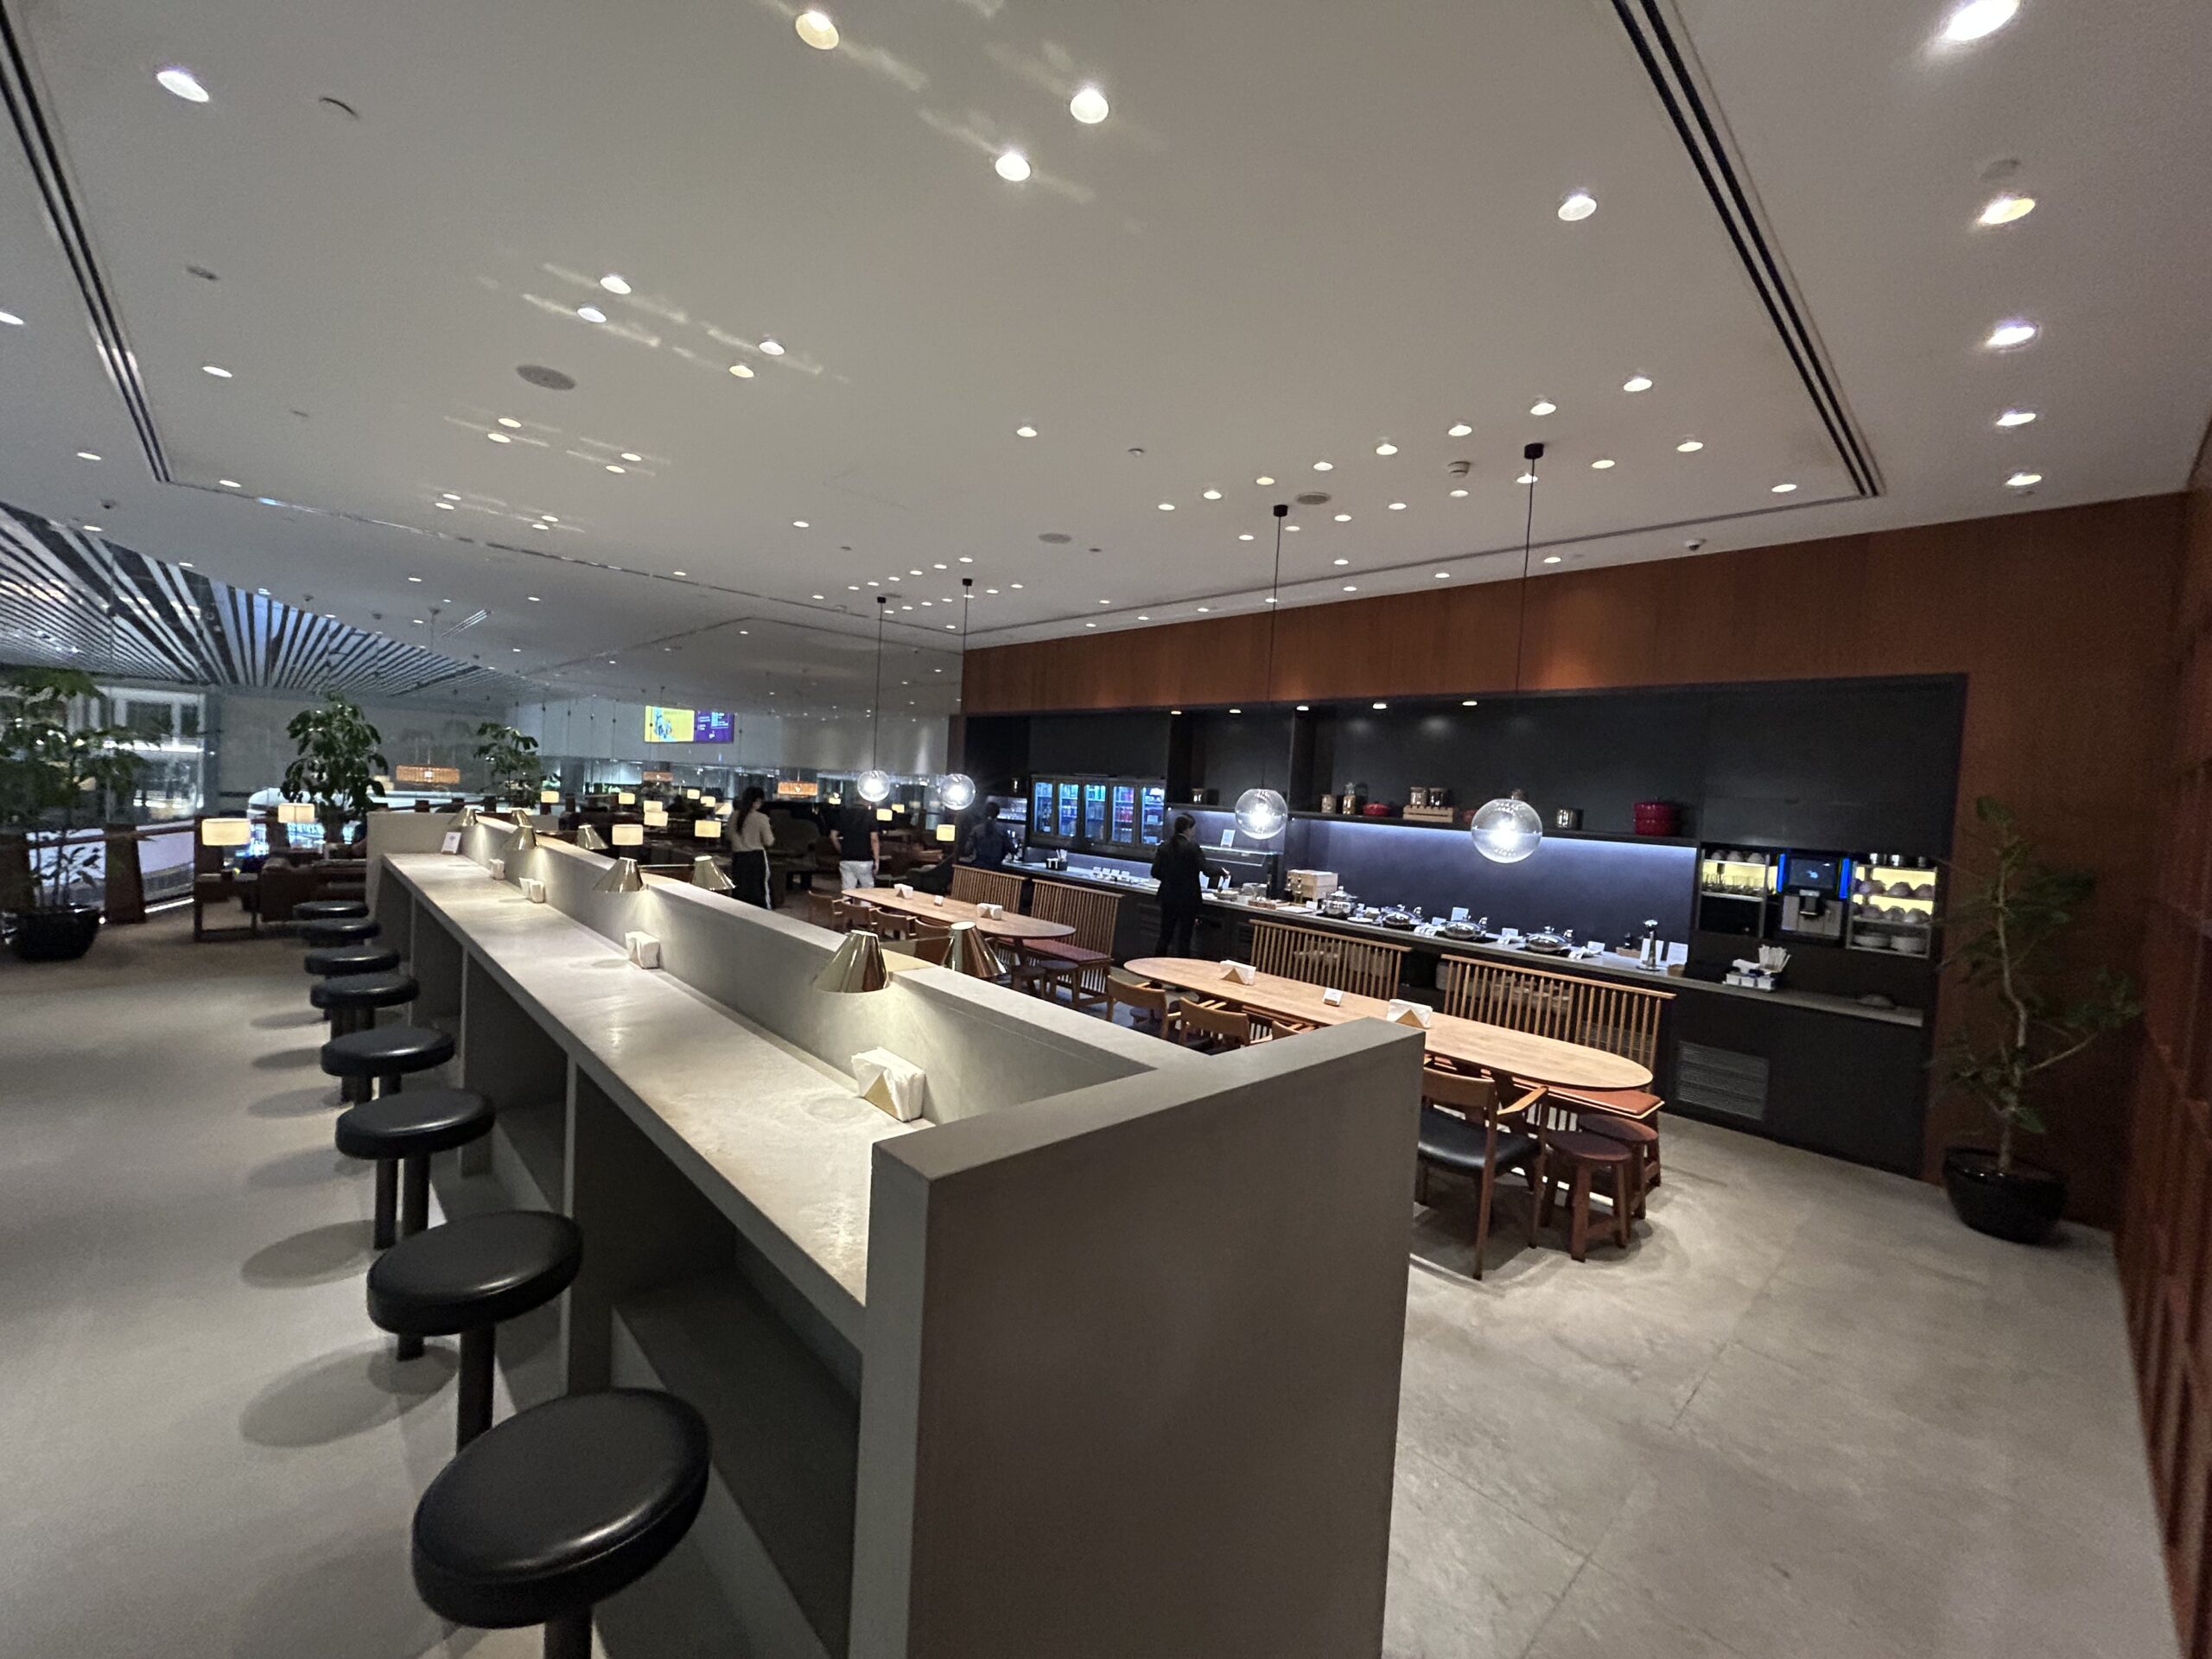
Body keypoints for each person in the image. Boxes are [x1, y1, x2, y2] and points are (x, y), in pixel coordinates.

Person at [1150, 812, 1221, 957]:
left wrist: (1170, 879)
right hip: (1188, 899)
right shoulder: (1192, 847)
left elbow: (1155, 872)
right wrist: (1222, 871)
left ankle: (1155, 966)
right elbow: (1206, 870)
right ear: (1188, 829)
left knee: (1165, 935)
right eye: (1193, 828)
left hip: (1168, 897)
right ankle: (1181, 971)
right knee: (1184, 938)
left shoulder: (1164, 846)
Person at [725, 786, 774, 908]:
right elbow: (769, 841)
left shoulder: (734, 816)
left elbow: (729, 836)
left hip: (738, 858)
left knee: (740, 888)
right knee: (760, 890)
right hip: (756, 858)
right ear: (758, 801)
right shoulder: (761, 818)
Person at [831, 796, 880, 891]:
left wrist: (841, 849)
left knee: (848, 890)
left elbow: (833, 835)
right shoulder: (870, 815)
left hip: (846, 858)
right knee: (867, 891)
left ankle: (848, 905)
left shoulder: (844, 813)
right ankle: (864, 906)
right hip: (864, 859)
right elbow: (874, 839)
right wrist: (877, 860)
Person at [959, 800, 1012, 869]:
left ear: (984, 813)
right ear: (998, 813)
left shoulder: (976, 829)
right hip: (996, 867)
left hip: (979, 866)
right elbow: (1011, 848)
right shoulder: (1002, 831)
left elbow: (968, 849)